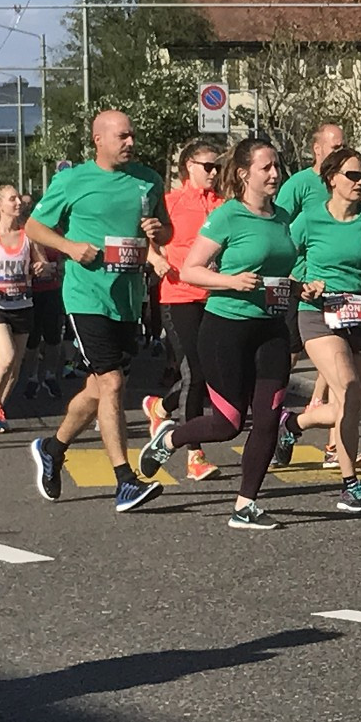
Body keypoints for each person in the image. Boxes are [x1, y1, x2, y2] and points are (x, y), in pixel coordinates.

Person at [137, 137, 296, 530]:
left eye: (277, 166)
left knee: (269, 416)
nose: (275, 173)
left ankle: (245, 505)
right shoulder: (228, 216)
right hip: (226, 328)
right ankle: (171, 438)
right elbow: (191, 270)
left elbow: (283, 270)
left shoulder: (283, 217)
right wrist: (230, 281)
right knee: (228, 424)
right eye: (266, 168)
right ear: (244, 174)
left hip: (271, 327)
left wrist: (299, 285)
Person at [27, 110, 172, 512]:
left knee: (97, 388)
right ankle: (125, 480)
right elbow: (35, 227)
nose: (130, 142)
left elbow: (167, 229)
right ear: (99, 140)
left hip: (126, 298)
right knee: (111, 384)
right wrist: (71, 248)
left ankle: (52, 448)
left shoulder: (148, 179)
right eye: (122, 136)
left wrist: (160, 234)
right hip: (85, 295)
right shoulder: (73, 180)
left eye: (132, 135)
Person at [272, 147, 361, 511]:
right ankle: (350, 484)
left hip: (360, 314)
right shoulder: (309, 219)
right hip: (317, 314)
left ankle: (295, 424)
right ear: (331, 180)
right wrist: (302, 285)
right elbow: (283, 262)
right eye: (352, 176)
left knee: (350, 405)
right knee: (349, 386)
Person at [140, 139, 224, 481]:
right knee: (195, 373)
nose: (215, 172)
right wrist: (155, 256)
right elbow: (144, 237)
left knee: (212, 374)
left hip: (218, 297)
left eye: (218, 166)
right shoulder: (170, 202)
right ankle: (195, 454)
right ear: (189, 166)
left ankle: (159, 407)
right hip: (179, 294)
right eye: (208, 166)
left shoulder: (225, 204)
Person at [275, 123, 346, 438]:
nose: (340, 153)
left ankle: (332, 438)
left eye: (343, 146)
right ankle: (272, 413)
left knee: (339, 361)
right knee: (291, 353)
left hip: (339, 289)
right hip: (299, 284)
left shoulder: (346, 183)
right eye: (334, 147)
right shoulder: (299, 185)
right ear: (317, 150)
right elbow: (280, 226)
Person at [0, 185, 40, 431]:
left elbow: (42, 262)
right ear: (0, 206)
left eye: (19, 198)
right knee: (6, 356)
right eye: (12, 199)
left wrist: (41, 267)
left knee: (16, 366)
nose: (18, 202)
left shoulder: (28, 236)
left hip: (22, 304)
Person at [22, 239, 64, 401]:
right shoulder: (25, 235)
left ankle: (50, 375)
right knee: (32, 339)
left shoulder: (57, 234)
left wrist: (54, 267)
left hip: (52, 291)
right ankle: (32, 378)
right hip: (31, 292)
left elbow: (63, 264)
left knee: (53, 337)